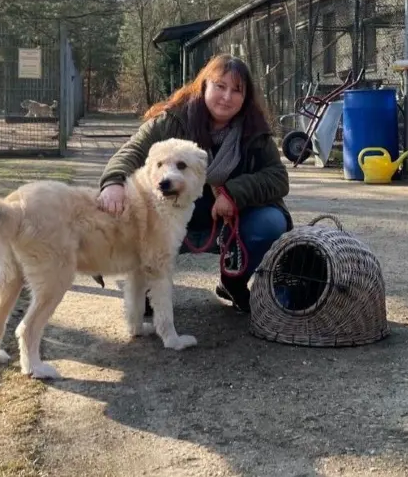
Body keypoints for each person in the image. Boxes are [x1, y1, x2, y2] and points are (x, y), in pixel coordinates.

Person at [96, 54, 293, 313]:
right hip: (171, 216)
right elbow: (131, 151)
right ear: (204, 86)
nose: (226, 97)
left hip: (227, 223)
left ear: (245, 98)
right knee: (137, 210)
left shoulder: (254, 131)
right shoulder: (173, 121)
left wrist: (233, 193)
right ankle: (145, 285)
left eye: (237, 90)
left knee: (270, 222)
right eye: (220, 86)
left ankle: (234, 280)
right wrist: (113, 182)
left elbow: (278, 177)